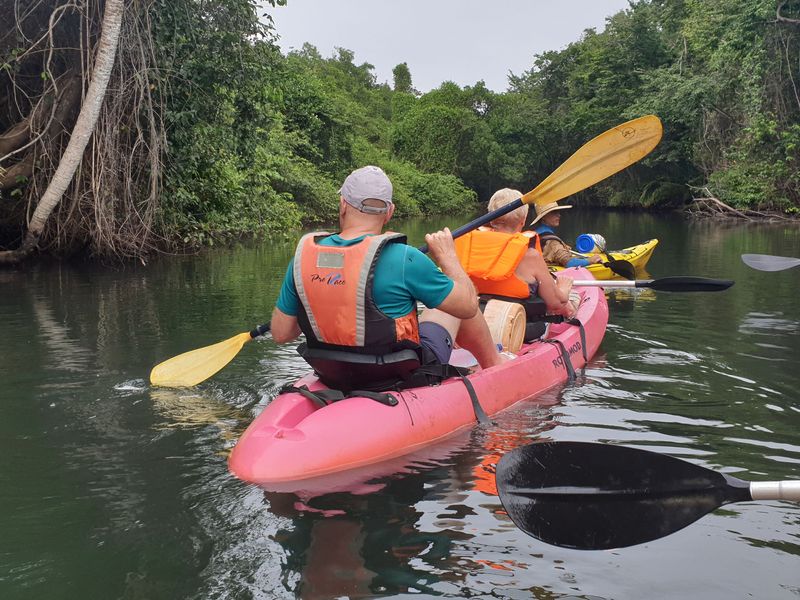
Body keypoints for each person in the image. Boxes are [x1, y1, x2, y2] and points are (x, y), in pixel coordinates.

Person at [270, 165, 505, 391]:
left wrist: (324, 295)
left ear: (342, 205)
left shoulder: (305, 257)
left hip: (333, 371)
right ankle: (496, 365)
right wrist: (448, 257)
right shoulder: (406, 258)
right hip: (396, 374)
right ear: (389, 212)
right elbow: (468, 306)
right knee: (449, 305)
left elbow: (281, 334)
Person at [454, 188, 575, 318]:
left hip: (473, 319)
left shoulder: (466, 247)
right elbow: (555, 304)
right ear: (523, 220)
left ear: (491, 219)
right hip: (518, 326)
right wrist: (564, 289)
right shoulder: (530, 255)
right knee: (571, 300)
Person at [531, 201, 603, 268]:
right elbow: (569, 263)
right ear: (543, 217)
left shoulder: (536, 232)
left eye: (558, 212)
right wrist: (590, 260)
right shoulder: (552, 241)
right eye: (554, 212)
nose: (559, 215)